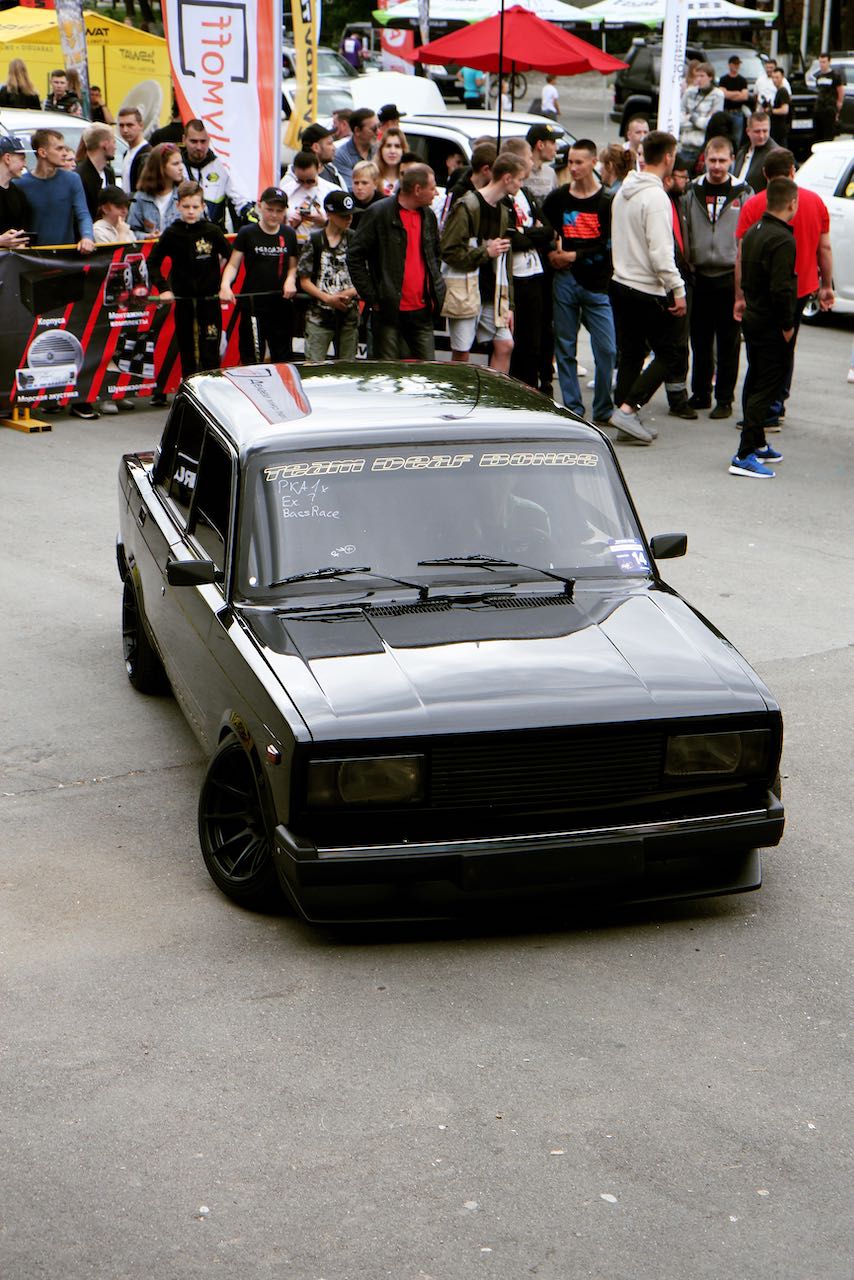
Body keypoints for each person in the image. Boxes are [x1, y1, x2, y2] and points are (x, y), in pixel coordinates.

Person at [735, 148, 834, 426]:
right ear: (793, 171)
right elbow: (824, 248)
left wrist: (739, 295)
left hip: (761, 291)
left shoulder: (755, 205)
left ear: (764, 174)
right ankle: (775, 403)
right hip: (800, 288)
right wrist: (826, 286)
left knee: (761, 353)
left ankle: (762, 407)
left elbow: (741, 254)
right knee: (786, 347)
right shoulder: (814, 202)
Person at [609, 130, 688, 444]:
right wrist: (677, 288)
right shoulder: (655, 197)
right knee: (671, 353)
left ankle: (625, 416)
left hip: (621, 281)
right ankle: (628, 410)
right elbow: (661, 252)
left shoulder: (624, 191)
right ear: (668, 157)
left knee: (631, 353)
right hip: (644, 286)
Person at [542, 139, 616, 426]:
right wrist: (551, 252)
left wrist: (574, 255)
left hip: (597, 284)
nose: (573, 168)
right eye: (570, 162)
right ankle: (573, 407)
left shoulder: (607, 200)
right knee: (565, 346)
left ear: (593, 162)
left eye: (579, 162)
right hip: (565, 280)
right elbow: (542, 227)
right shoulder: (559, 198)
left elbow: (609, 244)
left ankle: (603, 408)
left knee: (607, 349)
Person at [729, 177, 799, 478]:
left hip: (753, 316)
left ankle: (756, 442)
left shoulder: (754, 231)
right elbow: (781, 288)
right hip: (771, 322)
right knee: (767, 385)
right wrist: (787, 325)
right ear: (792, 203)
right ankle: (744, 454)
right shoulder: (783, 239)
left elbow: (745, 271)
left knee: (755, 378)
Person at [681, 135, 751, 419]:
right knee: (699, 339)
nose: (717, 166)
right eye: (713, 160)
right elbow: (685, 227)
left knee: (728, 343)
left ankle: (724, 398)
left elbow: (747, 234)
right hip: (699, 275)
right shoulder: (692, 190)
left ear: (732, 160)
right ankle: (700, 392)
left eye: (723, 160)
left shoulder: (742, 192)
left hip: (729, 275)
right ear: (705, 160)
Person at [348, 162, 445, 360]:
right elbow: (354, 256)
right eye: (432, 188)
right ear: (417, 190)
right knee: (388, 373)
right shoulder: (378, 213)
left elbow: (435, 255)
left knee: (428, 373)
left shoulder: (428, 216)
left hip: (422, 311)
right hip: (388, 312)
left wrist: (435, 288)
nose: (436, 193)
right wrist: (372, 297)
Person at [440, 153, 526, 374]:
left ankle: (495, 392)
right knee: (462, 352)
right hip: (465, 289)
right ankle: (459, 391)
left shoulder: (504, 209)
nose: (521, 185)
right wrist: (485, 252)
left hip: (493, 292)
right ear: (507, 178)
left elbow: (505, 259)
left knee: (505, 344)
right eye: (519, 179)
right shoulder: (467, 205)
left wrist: (509, 305)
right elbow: (449, 251)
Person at [148, 180, 231, 379]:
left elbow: (232, 257)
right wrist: (163, 288)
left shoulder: (212, 231)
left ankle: (213, 388)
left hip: (210, 301)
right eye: (186, 207)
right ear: (178, 206)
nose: (191, 211)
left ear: (203, 206)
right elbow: (152, 262)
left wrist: (225, 284)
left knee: (210, 350)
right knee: (188, 352)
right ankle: (191, 387)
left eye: (195, 206)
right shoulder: (171, 233)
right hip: (184, 301)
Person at [220, 185, 298, 363]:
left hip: (281, 303)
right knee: (252, 356)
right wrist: (225, 285)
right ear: (260, 206)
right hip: (253, 304)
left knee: (283, 357)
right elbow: (233, 265)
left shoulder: (289, 234)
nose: (274, 215)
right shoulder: (247, 233)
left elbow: (293, 266)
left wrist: (290, 280)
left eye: (279, 211)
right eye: (270, 209)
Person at [298, 189, 360, 362]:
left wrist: (350, 292)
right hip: (319, 316)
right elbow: (304, 280)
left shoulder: (355, 239)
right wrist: (327, 298)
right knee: (314, 365)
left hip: (348, 315)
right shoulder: (315, 240)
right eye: (343, 216)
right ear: (330, 214)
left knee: (348, 368)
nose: (349, 219)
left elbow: (365, 275)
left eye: (351, 215)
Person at [16, 127, 93, 251]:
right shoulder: (21, 183)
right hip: (33, 256)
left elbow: (83, 214)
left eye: (64, 148)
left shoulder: (72, 180)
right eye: (59, 148)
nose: (65, 153)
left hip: (64, 255)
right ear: (42, 153)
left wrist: (87, 237)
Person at [180, 119, 253, 227]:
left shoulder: (222, 165)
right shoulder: (177, 166)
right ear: (184, 140)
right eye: (194, 141)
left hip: (215, 231)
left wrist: (249, 213)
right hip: (183, 230)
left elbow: (239, 199)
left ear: (209, 140)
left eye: (203, 141)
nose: (199, 147)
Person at [282, 151, 337, 247]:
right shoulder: (286, 190)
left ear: (319, 169)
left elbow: (344, 224)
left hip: (324, 245)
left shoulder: (332, 190)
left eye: (310, 181)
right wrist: (291, 224)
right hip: (294, 244)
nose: (306, 185)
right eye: (300, 181)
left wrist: (324, 222)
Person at [129, 142, 183, 236]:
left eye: (181, 163)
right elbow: (131, 231)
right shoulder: (141, 198)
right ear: (161, 167)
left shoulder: (185, 194)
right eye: (175, 164)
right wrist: (147, 236)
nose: (181, 168)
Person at [679, 63, 724, 169]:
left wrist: (691, 118)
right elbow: (679, 118)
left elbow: (710, 123)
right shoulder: (689, 92)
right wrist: (698, 121)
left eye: (702, 76)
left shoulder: (717, 95)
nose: (698, 79)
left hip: (702, 146)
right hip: (685, 144)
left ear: (710, 77)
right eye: (696, 76)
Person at [76, 123, 118, 220]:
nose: (115, 147)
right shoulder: (79, 177)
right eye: (114, 142)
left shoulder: (109, 173)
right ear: (105, 144)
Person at [733, 111, 780, 192]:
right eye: (757, 132)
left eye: (765, 131)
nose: (761, 136)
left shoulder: (775, 155)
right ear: (748, 131)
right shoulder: (742, 152)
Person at [334, 108, 378, 191]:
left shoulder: (380, 150)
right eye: (373, 129)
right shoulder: (341, 156)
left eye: (378, 127)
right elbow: (352, 189)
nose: (377, 132)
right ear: (357, 131)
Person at [0, 136, 31, 249]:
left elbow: (23, 229)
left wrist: (21, 243)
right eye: (22, 159)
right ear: (7, 158)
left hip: (13, 258)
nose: (25, 164)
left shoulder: (19, 194)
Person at [717, 55, 749, 149]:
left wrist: (729, 94)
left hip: (738, 112)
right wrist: (737, 93)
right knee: (724, 136)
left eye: (738, 64)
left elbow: (744, 96)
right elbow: (723, 94)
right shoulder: (723, 79)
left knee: (737, 138)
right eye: (735, 64)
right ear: (730, 65)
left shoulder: (742, 80)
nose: (737, 66)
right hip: (726, 111)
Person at [117, 107, 151, 194]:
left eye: (130, 125)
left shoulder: (147, 154)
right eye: (121, 125)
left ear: (141, 126)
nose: (125, 130)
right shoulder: (127, 153)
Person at [813, 52, 844, 143]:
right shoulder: (818, 76)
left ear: (829, 62)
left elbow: (840, 91)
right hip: (819, 109)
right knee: (818, 135)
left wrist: (838, 107)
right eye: (820, 62)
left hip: (830, 109)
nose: (822, 64)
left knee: (828, 135)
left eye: (824, 62)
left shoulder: (835, 76)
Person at [300, 122, 344, 187]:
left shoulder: (332, 171)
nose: (334, 148)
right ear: (316, 147)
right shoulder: (294, 177)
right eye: (329, 143)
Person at [525, 123, 559, 201]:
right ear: (540, 145)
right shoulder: (520, 173)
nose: (556, 148)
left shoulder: (550, 173)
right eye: (553, 143)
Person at [350, 159, 384, 228]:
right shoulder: (348, 202)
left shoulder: (384, 204)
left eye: (364, 183)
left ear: (375, 183)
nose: (359, 187)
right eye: (356, 183)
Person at [376, 126, 406, 195]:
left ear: (403, 150)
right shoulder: (371, 176)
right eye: (388, 146)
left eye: (397, 146)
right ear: (381, 150)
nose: (392, 151)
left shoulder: (409, 178)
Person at [769, 67, 791, 147]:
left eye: (777, 77)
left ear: (782, 78)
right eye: (773, 78)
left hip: (780, 128)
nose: (774, 80)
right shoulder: (778, 91)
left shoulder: (783, 91)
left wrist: (771, 111)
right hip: (776, 128)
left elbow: (785, 110)